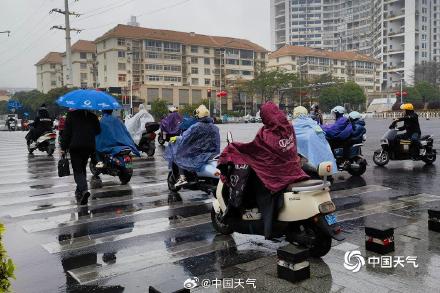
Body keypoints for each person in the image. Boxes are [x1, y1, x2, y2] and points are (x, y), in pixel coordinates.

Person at [218, 102, 309, 239]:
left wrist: (236, 148)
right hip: (292, 169)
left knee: (259, 185)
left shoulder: (266, 134)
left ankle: (267, 224)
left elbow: (254, 149)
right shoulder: (288, 127)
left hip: (275, 175)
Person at [164, 105, 220, 187]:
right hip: (213, 154)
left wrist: (177, 138)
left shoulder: (196, 127)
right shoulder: (215, 127)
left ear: (198, 115)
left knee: (179, 156)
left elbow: (185, 138)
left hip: (198, 154)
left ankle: (182, 178)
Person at [61, 109, 101, 205]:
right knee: (82, 167)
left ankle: (83, 189)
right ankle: (79, 191)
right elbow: (98, 131)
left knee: (77, 170)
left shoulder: (71, 115)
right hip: (89, 146)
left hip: (75, 147)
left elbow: (67, 133)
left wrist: (63, 147)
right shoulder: (92, 116)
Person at [292, 106, 337, 174]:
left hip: (301, 157)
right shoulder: (312, 123)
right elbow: (321, 135)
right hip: (320, 159)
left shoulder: (293, 124)